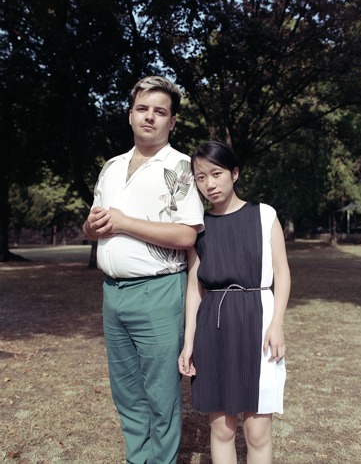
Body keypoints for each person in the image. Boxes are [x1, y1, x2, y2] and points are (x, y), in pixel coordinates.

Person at [83, 75, 204, 464]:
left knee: (160, 394)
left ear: (172, 121)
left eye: (160, 111)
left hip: (159, 292)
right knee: (127, 393)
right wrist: (92, 227)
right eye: (142, 109)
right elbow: (91, 228)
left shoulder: (182, 167)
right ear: (130, 115)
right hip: (112, 292)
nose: (149, 117)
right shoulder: (111, 167)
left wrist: (124, 223)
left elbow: (187, 234)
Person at [178, 141, 291, 464]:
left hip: (258, 322)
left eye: (216, 174)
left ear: (235, 173)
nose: (209, 184)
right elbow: (194, 287)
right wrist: (189, 342)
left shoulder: (264, 214)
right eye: (201, 177)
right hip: (213, 328)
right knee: (223, 430)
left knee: (257, 432)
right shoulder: (198, 227)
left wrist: (277, 325)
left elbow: (282, 273)